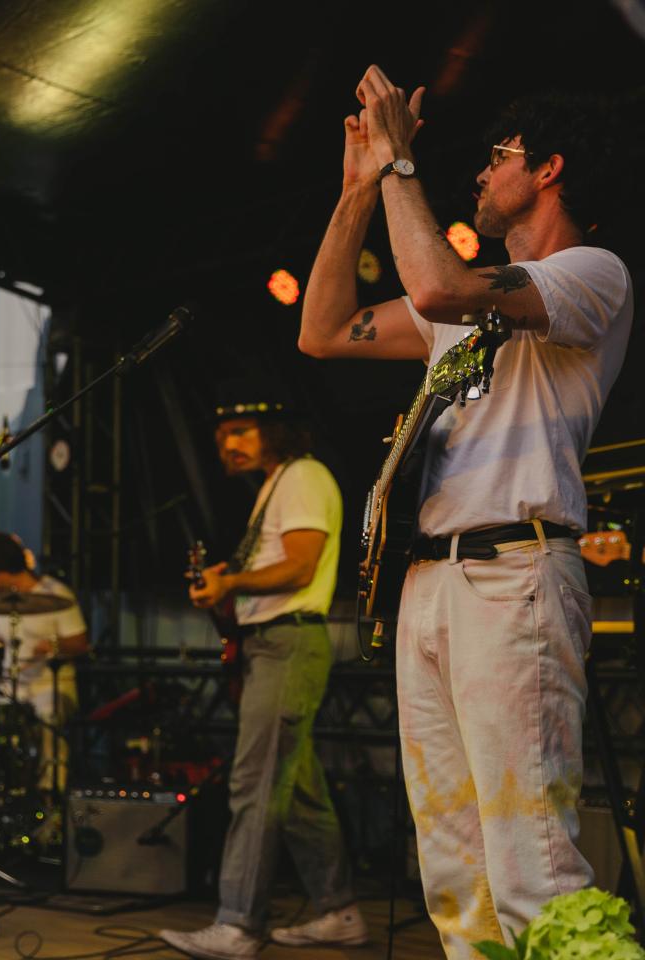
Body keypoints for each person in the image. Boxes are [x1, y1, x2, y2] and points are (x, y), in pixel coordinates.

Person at [298, 66, 633, 958]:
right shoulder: (463, 295)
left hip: (514, 573)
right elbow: (321, 330)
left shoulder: (589, 273)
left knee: (532, 862)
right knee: (456, 872)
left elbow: (439, 288)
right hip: (429, 582)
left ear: (550, 169)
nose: (481, 173)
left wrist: (399, 161)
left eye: (500, 155)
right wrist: (357, 189)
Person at [159, 399, 365, 959]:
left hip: (287, 643)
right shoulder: (278, 483)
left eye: (242, 431)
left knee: (255, 782)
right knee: (297, 791)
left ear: (276, 429)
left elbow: (300, 565)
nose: (229, 444)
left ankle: (238, 924)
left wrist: (231, 584)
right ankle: (339, 911)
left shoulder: (301, 476)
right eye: (222, 435)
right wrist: (227, 580)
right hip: (274, 643)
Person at [0, 531, 88, 796]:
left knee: (47, 714)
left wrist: (53, 646)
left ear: (3, 571)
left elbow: (80, 643)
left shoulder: (57, 594)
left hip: (50, 684)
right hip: (11, 685)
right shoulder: (3, 601)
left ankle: (51, 792)